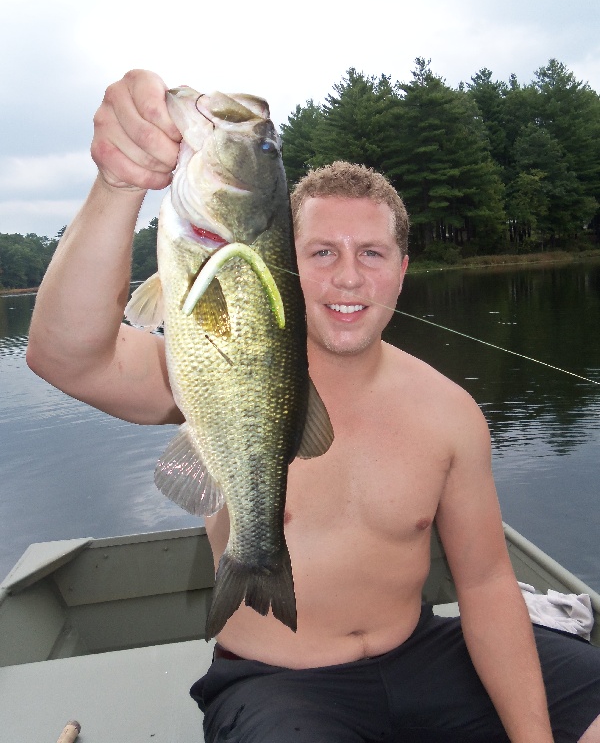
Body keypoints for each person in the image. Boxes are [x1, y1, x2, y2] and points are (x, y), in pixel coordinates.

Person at [27, 70, 600, 743]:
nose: (349, 277)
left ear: (402, 266)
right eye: (321, 251)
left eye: (372, 253)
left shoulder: (450, 413)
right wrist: (120, 182)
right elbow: (64, 356)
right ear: (280, 258)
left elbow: (484, 587)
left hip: (424, 655)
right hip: (280, 684)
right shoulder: (223, 354)